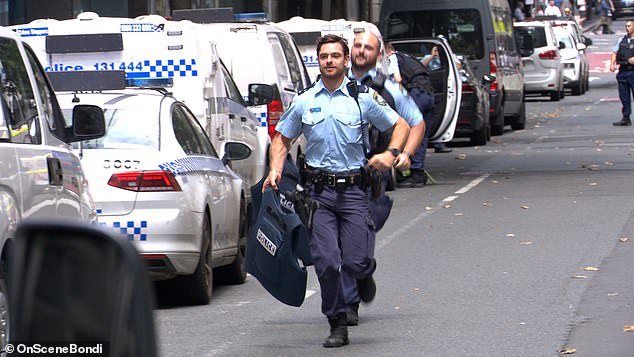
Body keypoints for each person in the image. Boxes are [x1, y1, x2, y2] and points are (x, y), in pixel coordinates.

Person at [262, 34, 410, 348]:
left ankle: (363, 273)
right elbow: (281, 139)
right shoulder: (305, 100)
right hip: (319, 195)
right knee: (327, 262)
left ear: (345, 61)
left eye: (335, 56)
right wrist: (275, 168)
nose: (329, 61)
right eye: (324, 56)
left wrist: (391, 152)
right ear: (319, 61)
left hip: (356, 191)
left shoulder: (363, 97)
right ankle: (337, 322)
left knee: (355, 262)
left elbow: (400, 125)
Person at [345, 31, 425, 326]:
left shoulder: (387, 88)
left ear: (378, 54)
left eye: (368, 47)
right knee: (339, 244)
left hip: (369, 179)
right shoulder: (332, 83)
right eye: (357, 45)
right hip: (335, 177)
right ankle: (347, 303)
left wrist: (403, 154)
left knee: (359, 242)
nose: (361, 50)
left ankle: (362, 274)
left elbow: (415, 122)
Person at [610, 20, 634, 126]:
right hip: (623, 71)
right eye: (626, 26)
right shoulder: (622, 40)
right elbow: (615, 52)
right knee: (624, 96)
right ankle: (626, 117)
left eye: (629, 26)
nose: (627, 28)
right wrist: (612, 64)